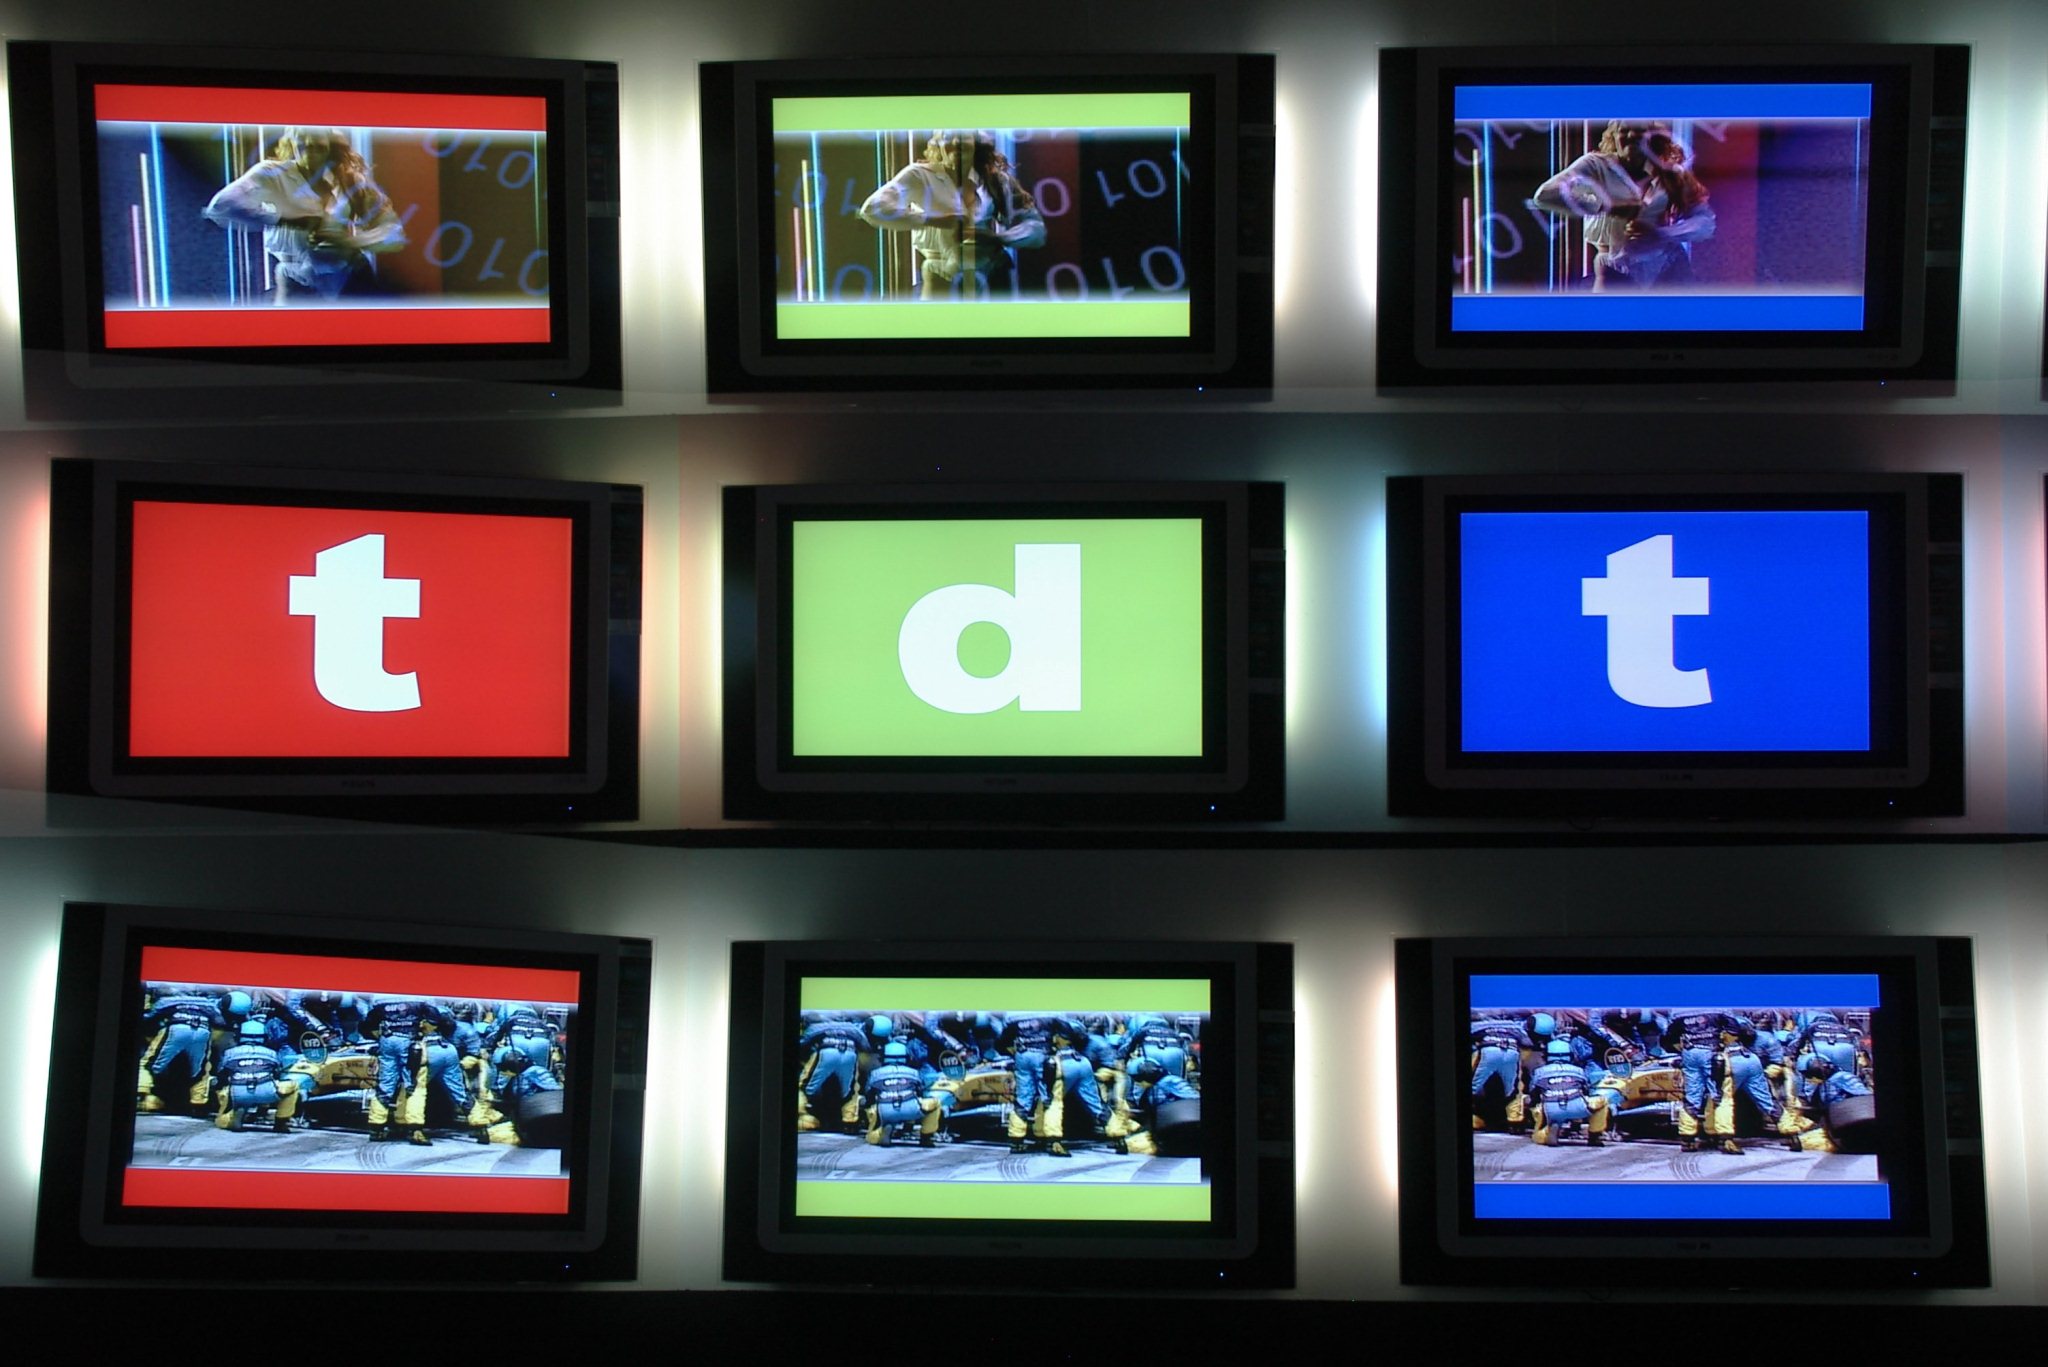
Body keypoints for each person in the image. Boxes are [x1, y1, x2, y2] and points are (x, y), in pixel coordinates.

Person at [202, 126, 406, 303]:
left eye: (317, 140)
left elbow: (394, 235)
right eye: (303, 140)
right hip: (297, 284)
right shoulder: (272, 174)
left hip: (352, 281)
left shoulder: (350, 180)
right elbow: (221, 206)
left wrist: (350, 241)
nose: (310, 145)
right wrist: (287, 221)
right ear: (291, 141)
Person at [857, 130, 1046, 299]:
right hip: (941, 281)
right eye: (948, 136)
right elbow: (872, 209)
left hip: (994, 279)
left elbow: (1036, 229)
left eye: (963, 136)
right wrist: (934, 220)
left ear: (976, 143)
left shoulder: (995, 179)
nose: (956, 142)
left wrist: (998, 238)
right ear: (937, 144)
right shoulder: (920, 175)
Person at [1531, 120, 1713, 290]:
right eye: (1624, 131)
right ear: (1614, 135)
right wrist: (1607, 206)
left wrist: (1661, 234)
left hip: (1668, 268)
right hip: (1614, 269)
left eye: (1640, 131)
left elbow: (1705, 222)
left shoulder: (1672, 172)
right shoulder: (1595, 165)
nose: (1632, 136)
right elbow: (1545, 195)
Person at [214, 1020, 309, 1133]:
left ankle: (232, 1116)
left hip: (237, 1093)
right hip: (267, 1091)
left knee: (221, 1114)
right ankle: (281, 1122)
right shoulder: (272, 1053)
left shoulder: (229, 1053)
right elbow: (277, 1074)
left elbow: (221, 1075)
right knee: (292, 1086)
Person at [1526, 1038, 1611, 1147]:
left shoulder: (1539, 1072)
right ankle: (1595, 1136)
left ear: (1546, 1056)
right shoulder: (1579, 1070)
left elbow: (1533, 1094)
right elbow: (1586, 1091)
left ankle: (1547, 1131)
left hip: (1550, 1109)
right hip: (1577, 1106)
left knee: (1533, 1107)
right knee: (1601, 1101)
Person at [796, 1015, 870, 1133]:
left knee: (803, 1087)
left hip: (826, 1052)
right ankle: (849, 1122)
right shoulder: (853, 1028)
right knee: (850, 1092)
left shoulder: (816, 1026)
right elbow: (866, 1046)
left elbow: (802, 1043)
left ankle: (802, 1115)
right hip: (850, 1054)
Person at [862, 1041, 945, 1147]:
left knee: (871, 1135)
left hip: (885, 1112)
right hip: (911, 1108)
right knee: (934, 1103)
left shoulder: (875, 1074)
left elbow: (869, 1096)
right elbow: (920, 1093)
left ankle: (881, 1132)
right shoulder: (914, 1072)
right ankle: (926, 1137)